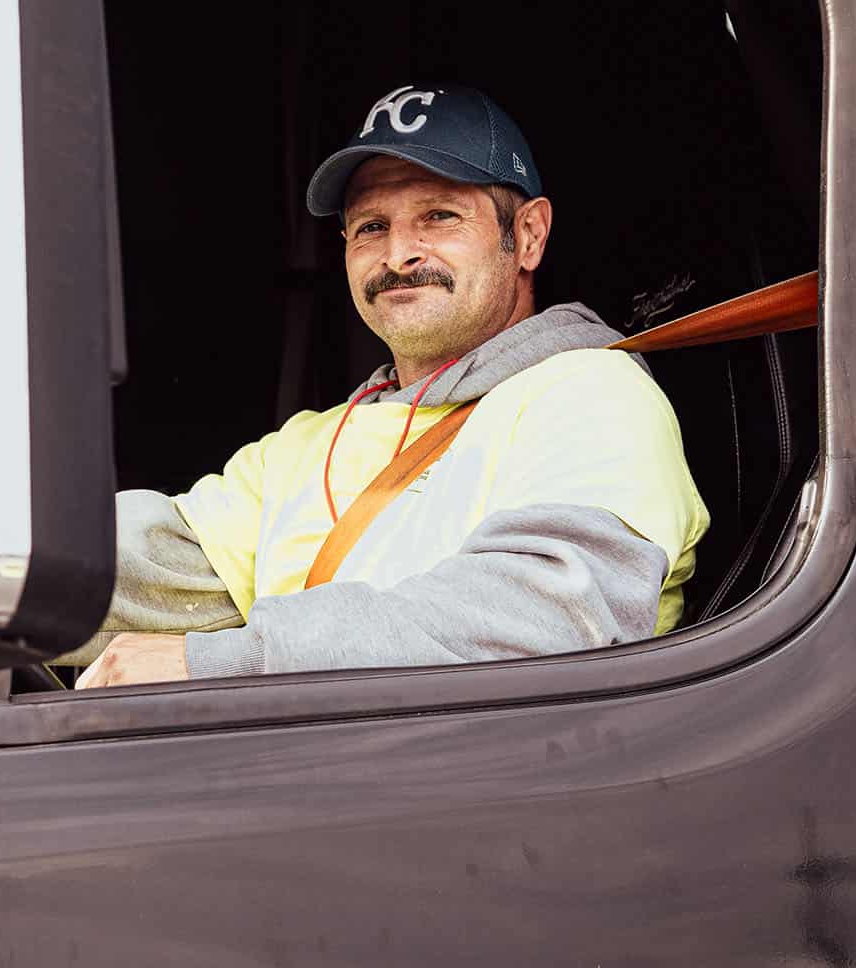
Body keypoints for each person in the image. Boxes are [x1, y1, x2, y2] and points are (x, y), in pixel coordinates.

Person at [69, 85, 708, 689]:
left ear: (529, 236)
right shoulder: (310, 443)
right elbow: (133, 569)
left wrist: (218, 665)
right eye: (371, 226)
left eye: (439, 215)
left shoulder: (591, 392)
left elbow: (544, 618)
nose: (399, 252)